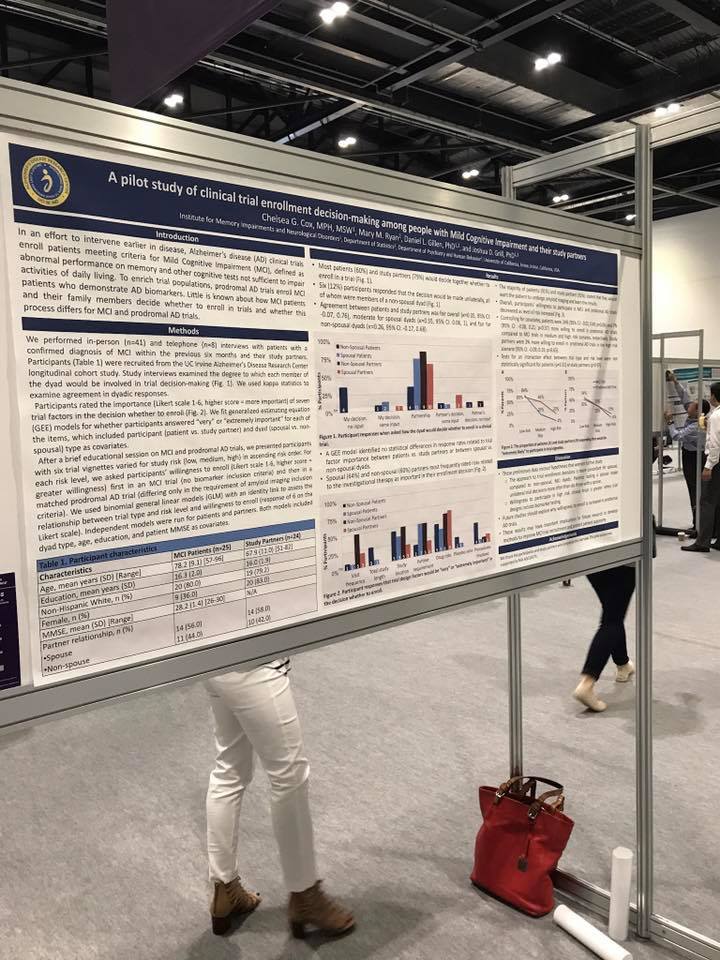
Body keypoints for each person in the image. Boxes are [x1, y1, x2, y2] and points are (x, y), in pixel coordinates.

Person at [205, 659, 355, 939]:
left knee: (229, 769)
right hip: (256, 661)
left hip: (216, 657)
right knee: (290, 777)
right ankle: (305, 894)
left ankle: (224, 887)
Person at [573, 566, 636, 712]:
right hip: (625, 559)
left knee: (613, 610)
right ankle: (587, 683)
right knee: (612, 619)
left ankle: (623, 664)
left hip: (590, 558)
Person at [665, 371, 709, 535]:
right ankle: (699, 523)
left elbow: (677, 436)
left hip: (695, 458)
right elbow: (684, 397)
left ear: (697, 411)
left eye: (692, 405)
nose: (688, 405)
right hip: (690, 454)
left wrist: (669, 421)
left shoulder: (696, 426)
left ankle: (699, 524)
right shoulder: (695, 415)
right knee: (695, 489)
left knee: (695, 489)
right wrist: (674, 382)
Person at [682, 381, 720, 553]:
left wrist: (708, 466)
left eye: (710, 394)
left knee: (706, 501)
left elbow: (714, 444)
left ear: (714, 396)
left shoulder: (716, 416)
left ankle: (703, 542)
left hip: (716, 462)